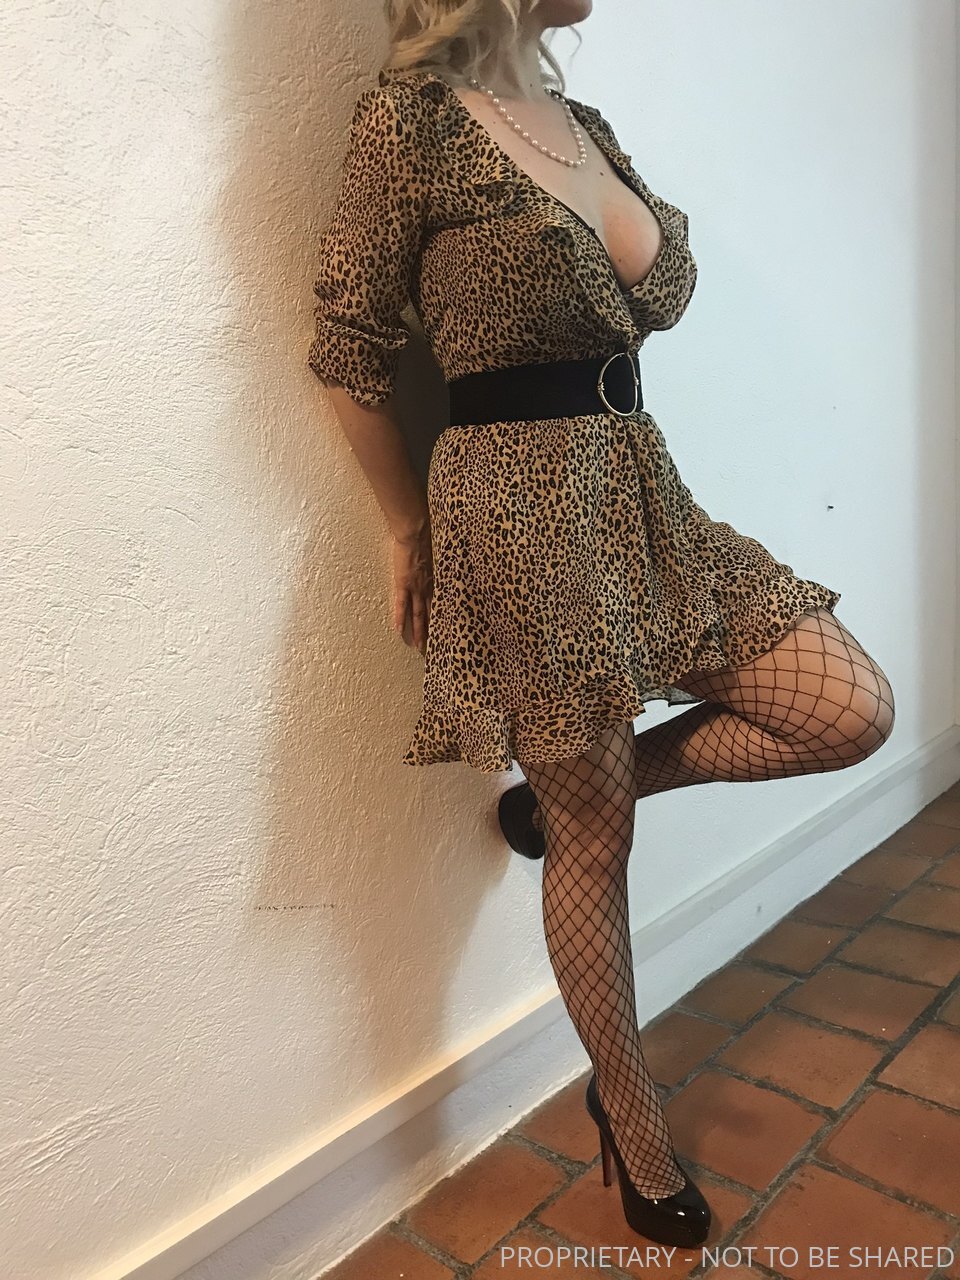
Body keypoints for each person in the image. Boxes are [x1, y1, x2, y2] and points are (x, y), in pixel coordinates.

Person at [307, 0, 896, 1249]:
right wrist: (405, 528)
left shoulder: (583, 122)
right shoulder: (408, 122)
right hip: (518, 512)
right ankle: (630, 1121)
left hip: (640, 488)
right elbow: (348, 348)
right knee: (598, 840)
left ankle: (549, 803)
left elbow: (662, 286)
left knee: (847, 707)